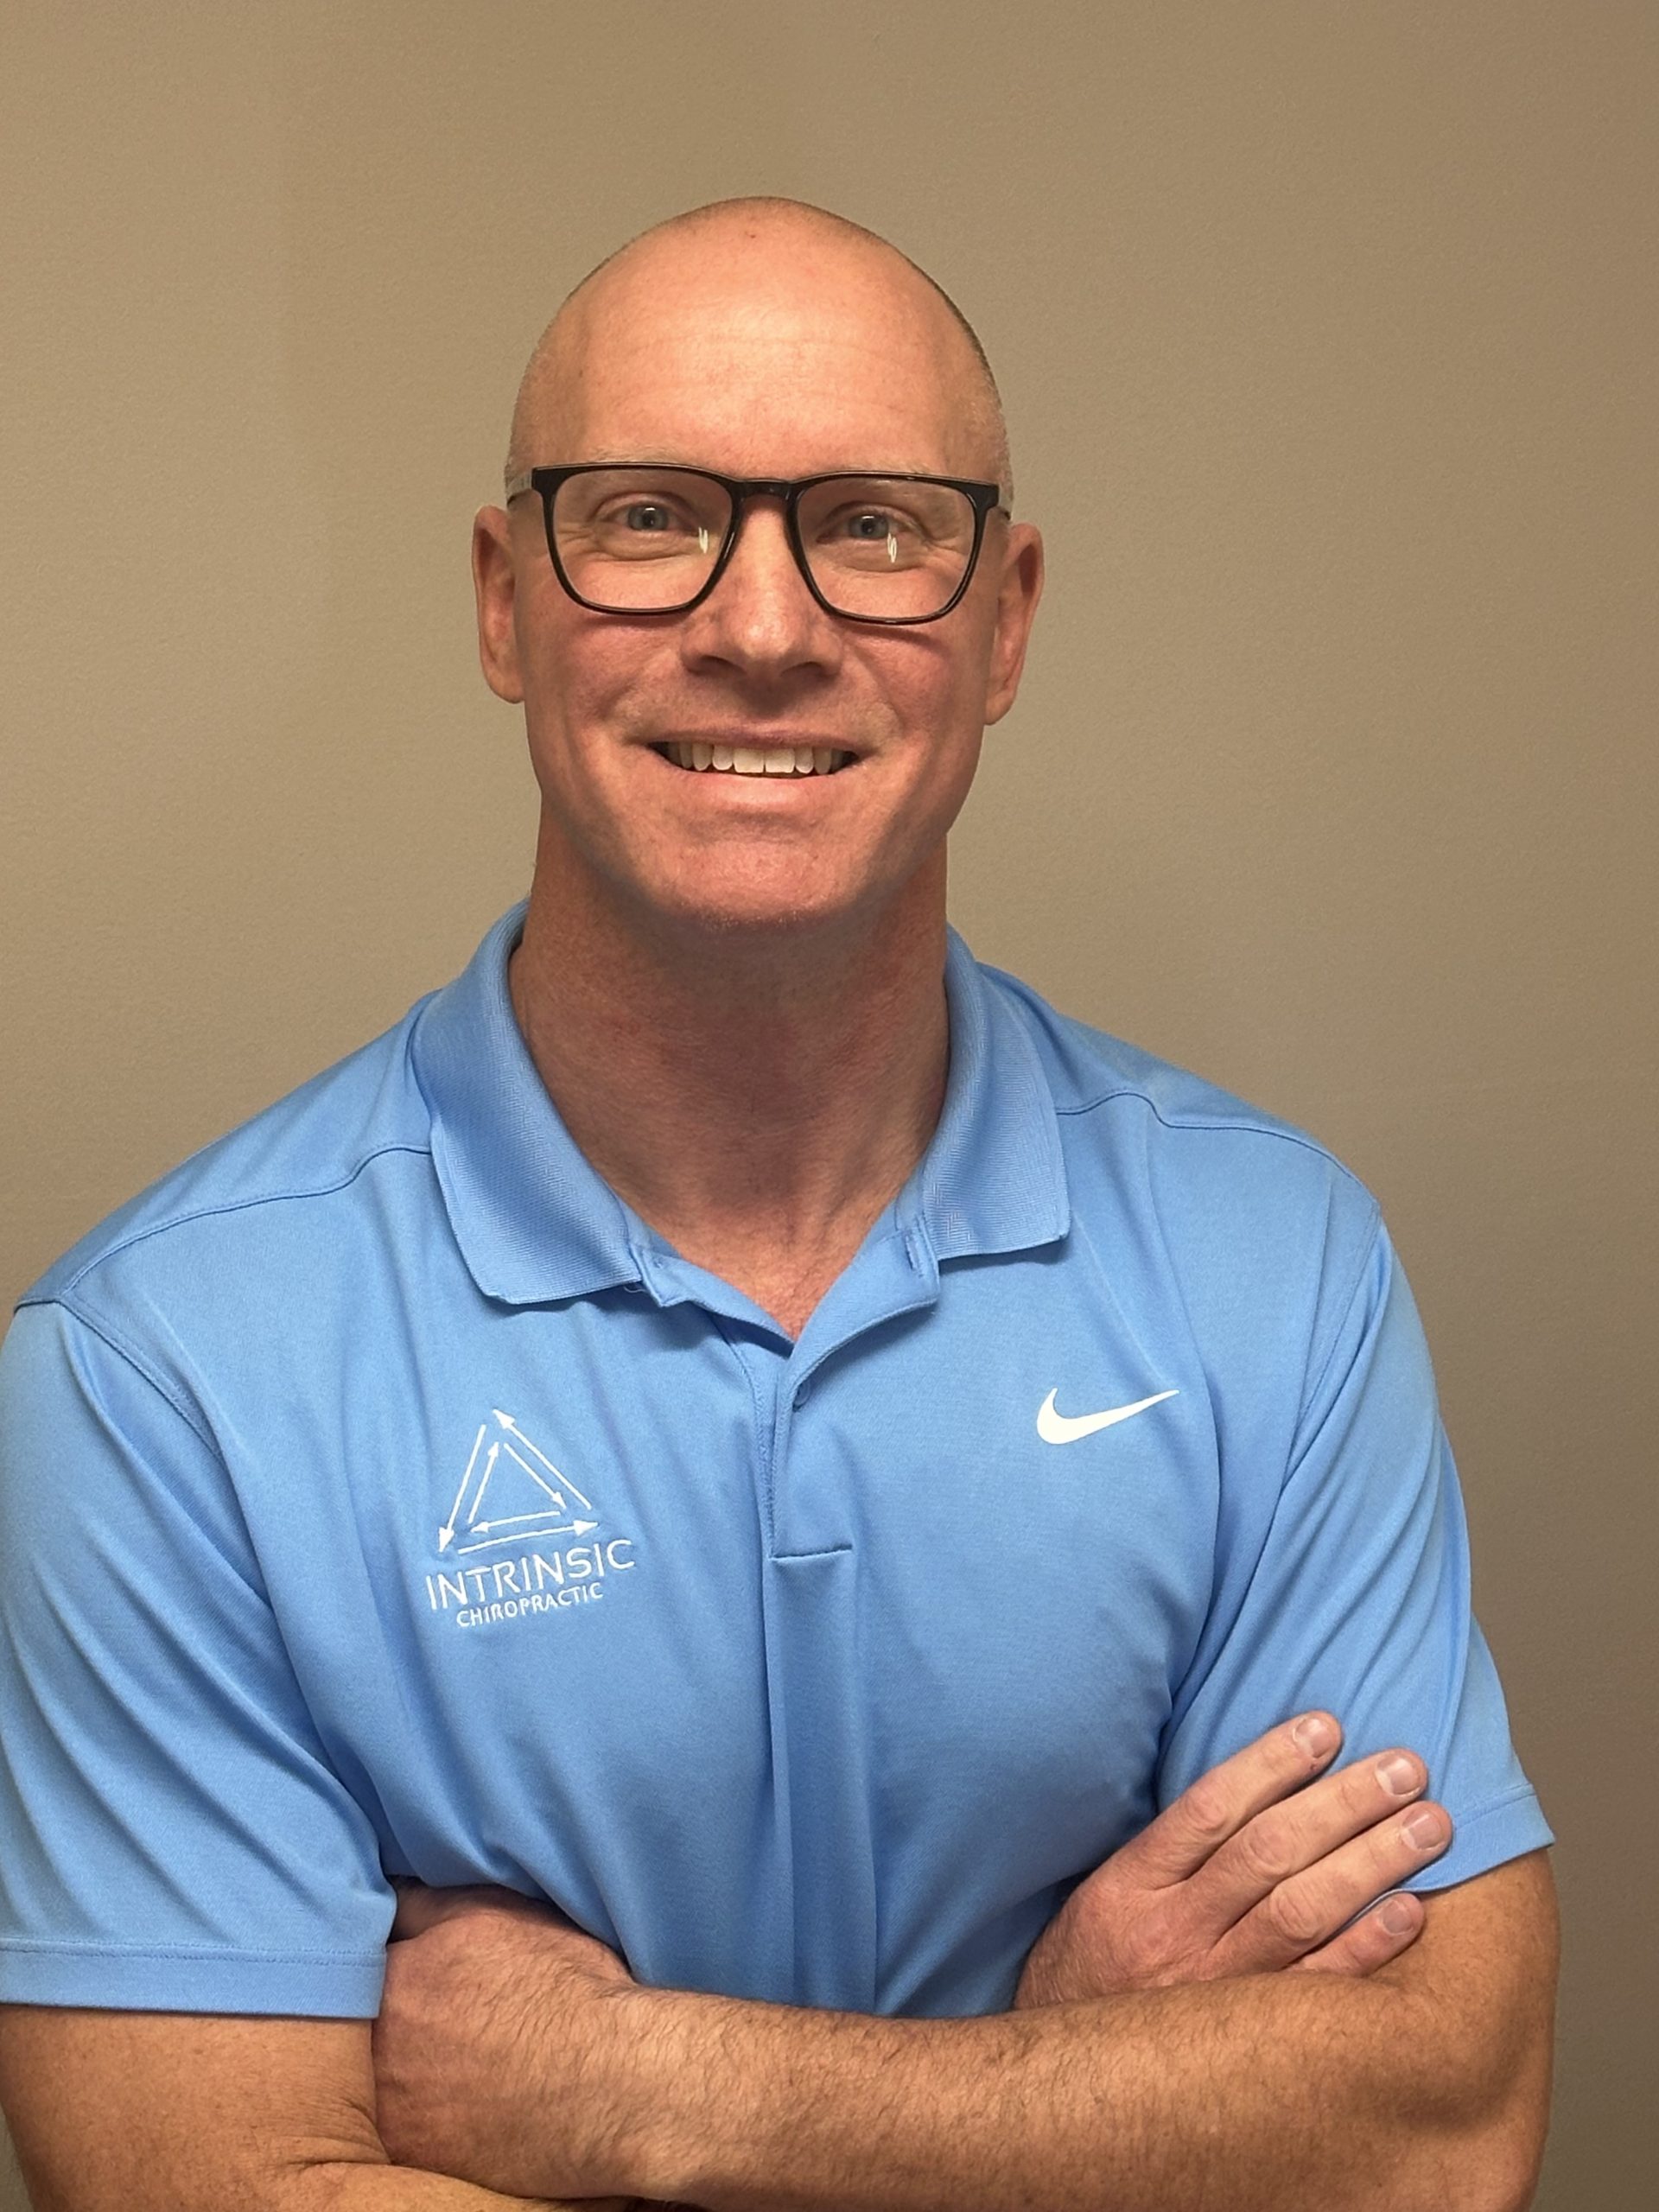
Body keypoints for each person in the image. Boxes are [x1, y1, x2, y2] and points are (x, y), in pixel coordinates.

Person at [0, 198, 1555, 2211]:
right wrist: (1063, 2079)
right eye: (647, 514)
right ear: (501, 599)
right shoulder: (161, 1378)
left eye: (878, 524)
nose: (760, 622)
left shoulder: (1274, 1269)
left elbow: (1430, 2135)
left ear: (1004, 619)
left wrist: (639, 2086)